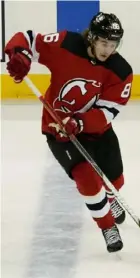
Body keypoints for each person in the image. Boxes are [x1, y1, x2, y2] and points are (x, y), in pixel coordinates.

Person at [4, 12, 133, 253]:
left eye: (114, 44)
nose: (109, 49)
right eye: (104, 43)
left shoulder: (121, 71)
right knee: (86, 178)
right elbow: (29, 39)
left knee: (115, 180)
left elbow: (106, 113)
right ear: (92, 38)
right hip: (57, 129)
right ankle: (107, 226)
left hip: (96, 130)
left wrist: (80, 123)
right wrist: (19, 54)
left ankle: (111, 200)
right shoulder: (66, 44)